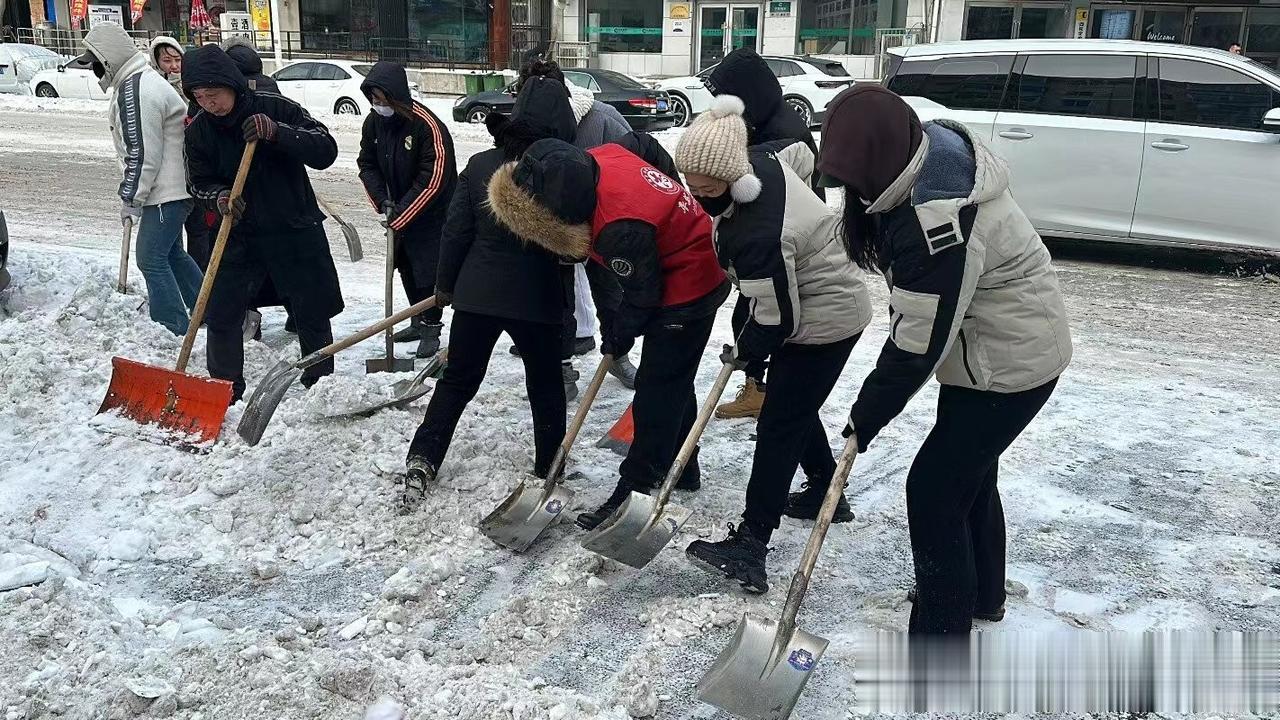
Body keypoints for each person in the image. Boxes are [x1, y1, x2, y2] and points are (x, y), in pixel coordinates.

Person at [818, 86, 1072, 633]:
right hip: (988, 352)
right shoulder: (922, 166)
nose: (853, 194)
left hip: (1009, 365)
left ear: (880, 158)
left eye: (855, 181)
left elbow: (918, 341)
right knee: (969, 476)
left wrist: (867, 415)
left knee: (933, 489)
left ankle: (941, 637)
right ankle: (982, 597)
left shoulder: (939, 219)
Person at [673, 96, 873, 593]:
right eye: (690, 186)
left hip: (824, 320)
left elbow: (778, 318)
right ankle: (827, 491)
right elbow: (802, 159)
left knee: (779, 425)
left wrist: (748, 353)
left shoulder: (759, 229)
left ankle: (752, 543)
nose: (697, 198)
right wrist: (751, 339)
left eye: (706, 189)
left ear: (731, 176)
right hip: (811, 301)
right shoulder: (758, 163)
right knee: (793, 407)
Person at [487, 135, 731, 530]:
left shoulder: (619, 229)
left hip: (692, 282)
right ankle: (685, 467)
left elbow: (643, 295)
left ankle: (634, 487)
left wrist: (620, 335)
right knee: (671, 377)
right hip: (673, 261)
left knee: (656, 389)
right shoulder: (602, 158)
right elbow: (646, 146)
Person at [401, 76, 576, 508]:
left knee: (458, 380)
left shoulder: (482, 164)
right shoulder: (569, 171)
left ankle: (423, 457)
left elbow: (455, 231)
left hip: (478, 297)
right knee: (546, 385)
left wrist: (445, 287)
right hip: (539, 301)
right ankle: (549, 465)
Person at [182, 45, 343, 401]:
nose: (209, 103)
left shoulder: (274, 107)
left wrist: (278, 132)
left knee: (310, 310)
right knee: (222, 313)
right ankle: (225, 389)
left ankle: (320, 384)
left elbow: (326, 149)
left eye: (215, 94)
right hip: (237, 235)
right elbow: (197, 182)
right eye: (200, 97)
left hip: (292, 229)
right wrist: (219, 197)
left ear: (232, 84)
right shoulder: (198, 132)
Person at [704, 47, 821, 421]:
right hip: (776, 238)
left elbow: (762, 184)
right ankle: (760, 387)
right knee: (754, 317)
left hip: (788, 244)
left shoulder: (784, 133)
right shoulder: (765, 119)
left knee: (767, 320)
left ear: (747, 92)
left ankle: (762, 391)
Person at [515, 58, 639, 392]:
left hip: (602, 225)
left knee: (611, 295)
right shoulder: (526, 122)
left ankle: (618, 355)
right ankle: (562, 365)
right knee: (558, 301)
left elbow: (633, 165)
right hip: (553, 230)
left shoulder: (602, 119)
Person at [78, 23, 202, 336]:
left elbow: (142, 152)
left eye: (95, 65)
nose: (94, 72)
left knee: (150, 259)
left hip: (164, 193)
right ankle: (211, 313)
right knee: (172, 254)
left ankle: (171, 328)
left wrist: (131, 197)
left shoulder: (137, 89)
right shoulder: (141, 81)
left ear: (108, 60)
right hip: (173, 190)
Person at [357, 61, 457, 359]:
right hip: (397, 210)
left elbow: (434, 177)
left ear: (397, 97)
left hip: (431, 213)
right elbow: (367, 164)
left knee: (429, 273)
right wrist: (382, 201)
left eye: (383, 101)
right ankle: (416, 319)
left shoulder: (426, 125)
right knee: (407, 269)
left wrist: (402, 213)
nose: (378, 106)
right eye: (374, 100)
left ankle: (431, 326)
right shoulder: (373, 123)